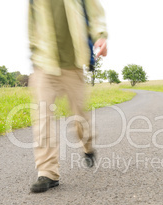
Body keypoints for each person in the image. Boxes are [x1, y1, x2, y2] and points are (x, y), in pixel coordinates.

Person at [28, 0, 108, 193]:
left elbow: (95, 14)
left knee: (80, 117)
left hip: (73, 63)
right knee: (43, 117)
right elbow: (32, 23)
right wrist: (34, 52)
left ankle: (87, 146)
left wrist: (101, 37)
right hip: (45, 64)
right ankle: (47, 172)